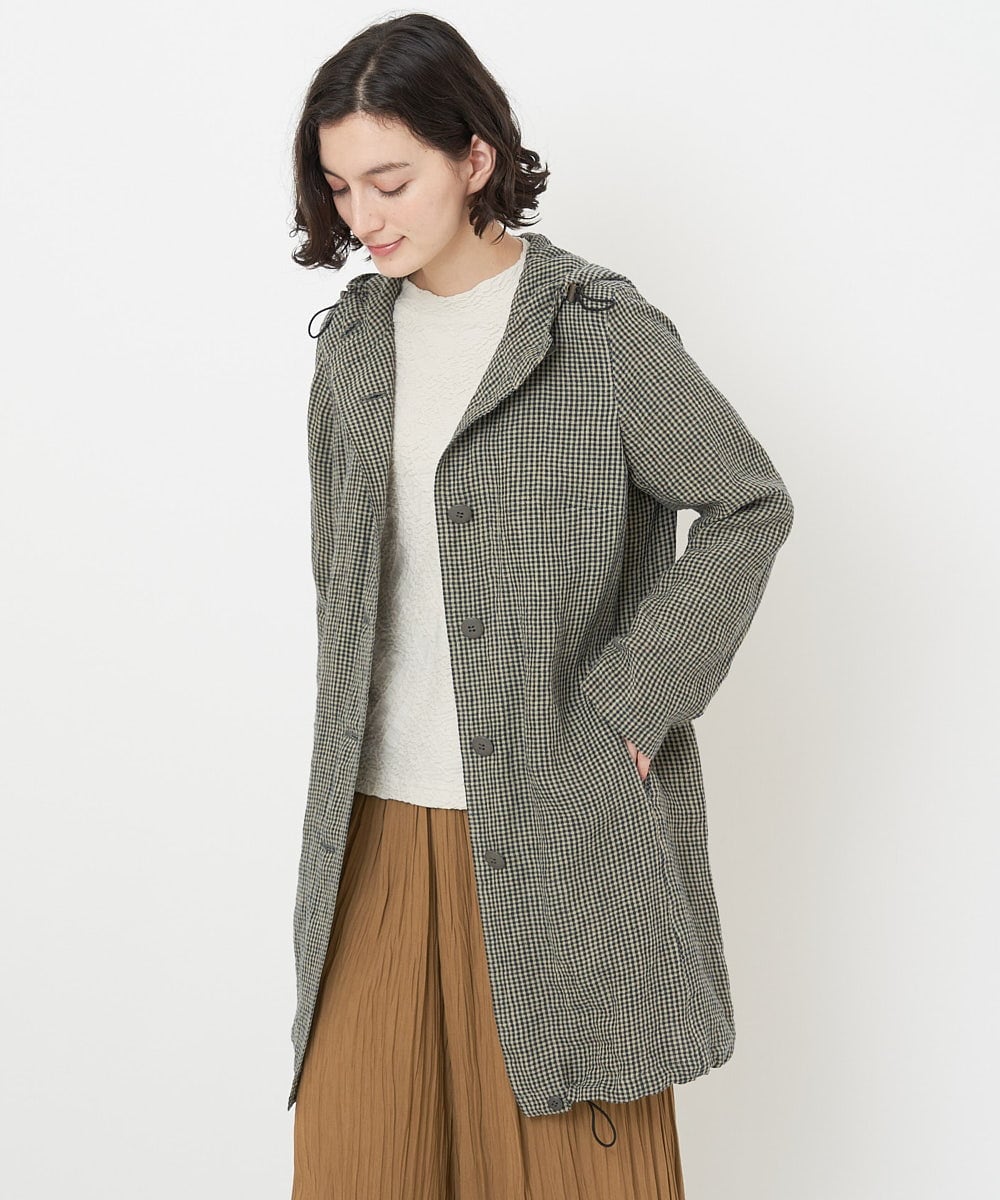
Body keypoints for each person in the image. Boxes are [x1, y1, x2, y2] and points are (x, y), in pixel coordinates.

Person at [286, 12, 794, 1200]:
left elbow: (747, 504)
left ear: (474, 157)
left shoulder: (596, 333)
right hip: (370, 826)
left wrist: (632, 704)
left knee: (570, 1168)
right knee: (358, 1167)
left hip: (559, 811)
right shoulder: (354, 345)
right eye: (340, 187)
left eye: (389, 181)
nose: (363, 217)